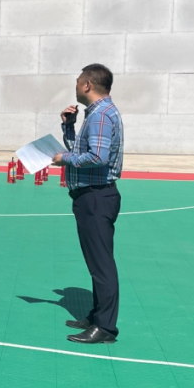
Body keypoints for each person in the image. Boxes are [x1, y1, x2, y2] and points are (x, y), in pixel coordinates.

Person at [52, 63, 124, 345]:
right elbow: (83, 150)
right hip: (91, 196)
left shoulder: (101, 116)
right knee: (96, 262)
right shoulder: (96, 114)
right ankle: (97, 316)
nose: (75, 86)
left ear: (87, 85)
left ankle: (105, 327)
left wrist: (63, 159)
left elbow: (97, 158)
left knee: (102, 264)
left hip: (96, 197)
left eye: (77, 81)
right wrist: (68, 127)